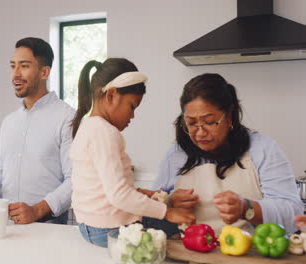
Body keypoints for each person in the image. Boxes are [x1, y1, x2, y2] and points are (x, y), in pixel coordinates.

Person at [154, 73, 303, 235]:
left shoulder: (263, 149)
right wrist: (169, 203)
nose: (200, 133)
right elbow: (151, 215)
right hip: (189, 254)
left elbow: (294, 215)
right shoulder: (175, 156)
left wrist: (247, 208)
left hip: (249, 256)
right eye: (191, 123)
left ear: (230, 116)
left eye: (210, 122)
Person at [70, 58, 195, 248]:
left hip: (90, 227)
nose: (132, 116)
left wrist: (151, 195)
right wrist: (168, 211)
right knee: (182, 227)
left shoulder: (88, 126)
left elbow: (104, 189)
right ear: (111, 95)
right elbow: (119, 195)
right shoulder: (104, 132)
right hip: (108, 229)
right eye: (132, 106)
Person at [0, 37, 75, 225]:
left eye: (24, 66)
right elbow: (1, 169)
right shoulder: (9, 122)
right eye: (13, 66)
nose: (15, 74)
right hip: (6, 223)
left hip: (48, 225)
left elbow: (74, 180)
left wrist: (37, 210)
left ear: (44, 72)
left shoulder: (67, 118)